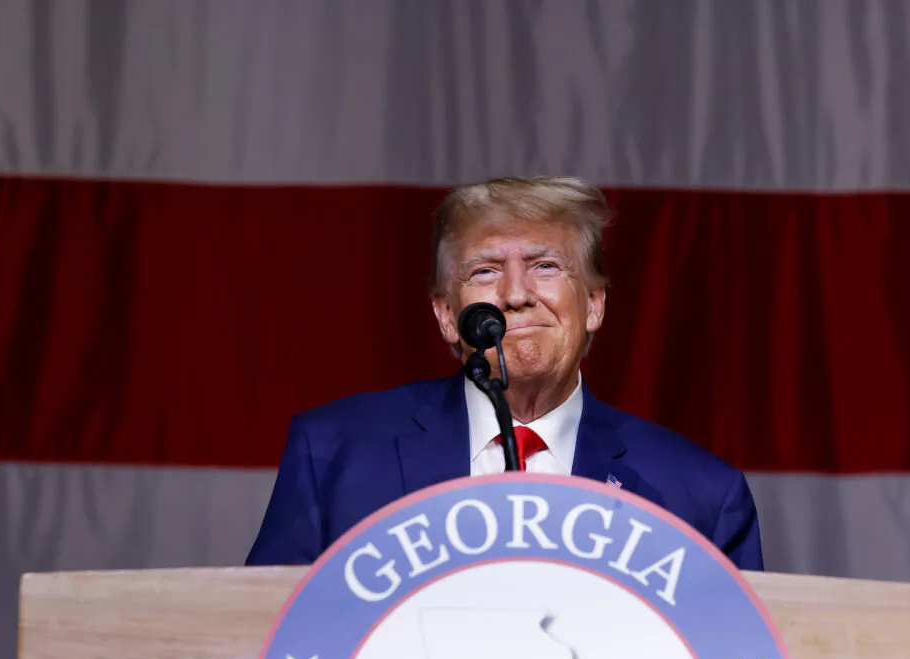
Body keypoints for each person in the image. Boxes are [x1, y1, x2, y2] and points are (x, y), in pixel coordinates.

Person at [245, 176, 763, 570]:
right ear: (447, 314)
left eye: (546, 266)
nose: (516, 295)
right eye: (486, 270)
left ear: (596, 304)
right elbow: (263, 646)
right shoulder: (333, 454)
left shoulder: (701, 497)